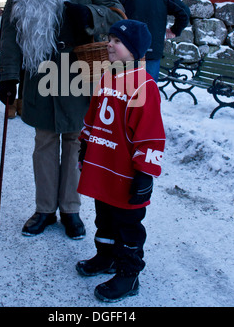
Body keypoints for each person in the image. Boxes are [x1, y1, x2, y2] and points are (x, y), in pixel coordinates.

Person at [0, 0, 125, 239]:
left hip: (79, 69)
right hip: (39, 71)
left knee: (73, 140)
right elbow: (9, 32)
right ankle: (44, 209)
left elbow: (117, 13)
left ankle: (70, 209)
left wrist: (89, 14)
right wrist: (9, 76)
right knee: (44, 140)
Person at [76, 19, 166, 302]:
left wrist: (145, 174)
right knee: (104, 217)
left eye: (117, 41)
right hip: (102, 167)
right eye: (110, 38)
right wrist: (84, 146)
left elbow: (151, 134)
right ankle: (106, 257)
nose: (109, 44)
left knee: (127, 224)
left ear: (135, 50)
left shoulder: (144, 87)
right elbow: (93, 118)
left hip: (126, 174)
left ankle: (129, 273)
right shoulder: (106, 77)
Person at [118, 0, 190, 82]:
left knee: (126, 87)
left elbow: (115, 14)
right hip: (152, 48)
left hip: (129, 47)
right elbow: (185, 13)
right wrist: (175, 30)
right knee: (149, 88)